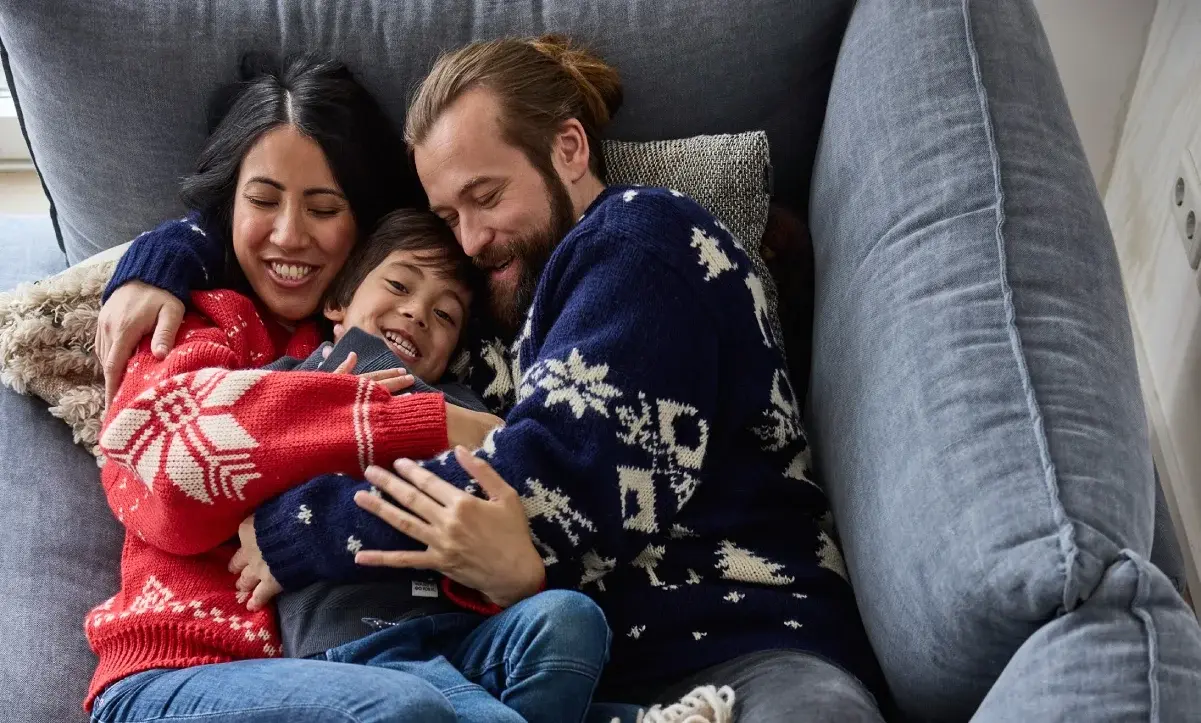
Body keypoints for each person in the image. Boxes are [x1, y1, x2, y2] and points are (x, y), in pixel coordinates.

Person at [108, 36, 888, 722]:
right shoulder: (496, 317)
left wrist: (302, 528)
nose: (472, 238)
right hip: (571, 675)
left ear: (570, 149)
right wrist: (171, 248)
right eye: (449, 216)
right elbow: (335, 251)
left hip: (742, 645)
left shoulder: (637, 239)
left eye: (485, 197)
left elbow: (553, 475)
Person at [87, 53, 607, 723]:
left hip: (376, 660)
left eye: (324, 207)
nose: (289, 234)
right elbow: (172, 478)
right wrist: (419, 420)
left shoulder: (416, 347)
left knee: (556, 627)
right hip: (182, 673)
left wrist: (505, 570)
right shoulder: (194, 320)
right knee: (406, 707)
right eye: (264, 199)